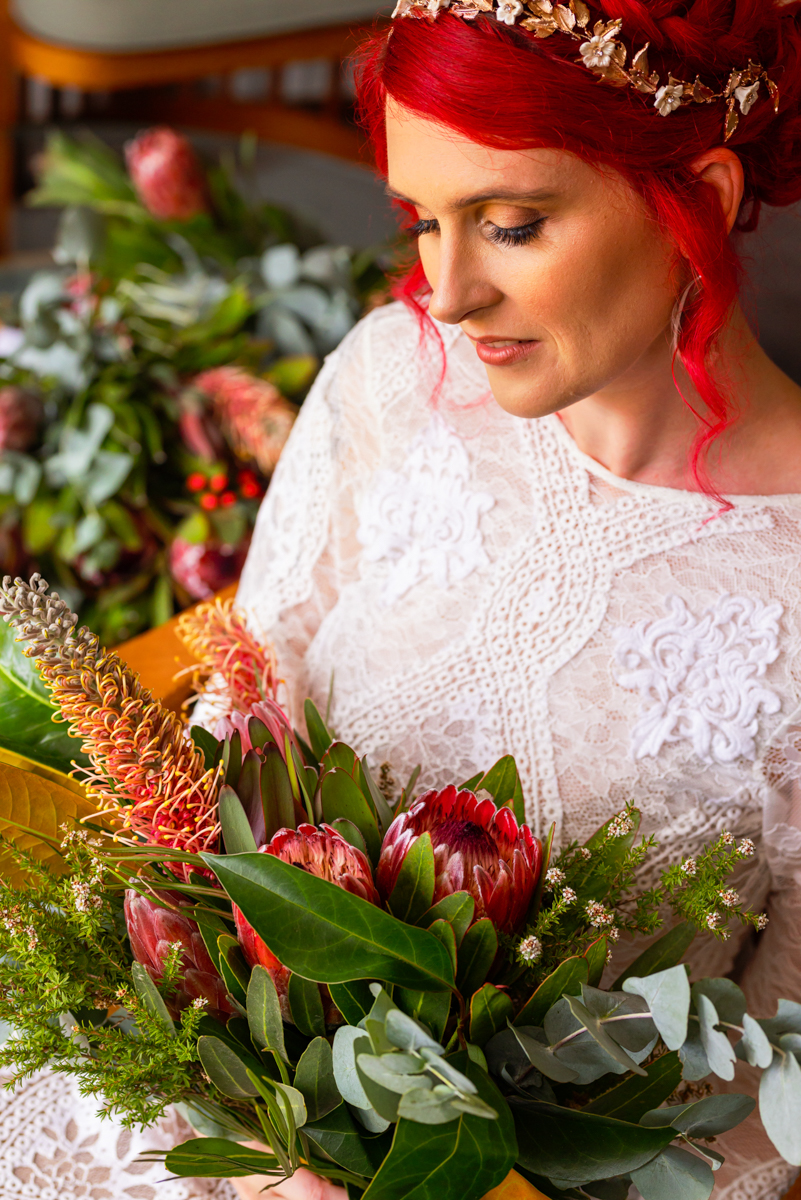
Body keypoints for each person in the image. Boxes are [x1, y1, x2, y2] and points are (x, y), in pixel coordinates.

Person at [226, 3, 801, 1198]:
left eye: (512, 224)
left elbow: (763, 1114)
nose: (446, 294)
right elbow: (235, 714)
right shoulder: (396, 379)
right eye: (423, 222)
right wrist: (248, 1139)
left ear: (699, 190)